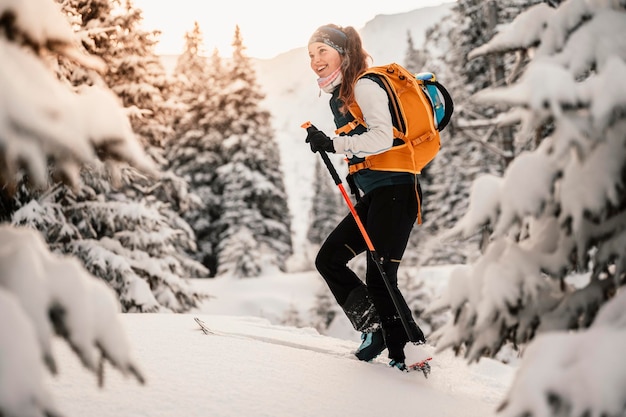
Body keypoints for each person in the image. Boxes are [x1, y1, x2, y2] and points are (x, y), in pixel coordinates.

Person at [305, 24, 426, 371]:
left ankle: (410, 356)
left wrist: (335, 143)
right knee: (329, 259)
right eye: (311, 55)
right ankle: (374, 330)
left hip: (396, 191)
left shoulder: (365, 84)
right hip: (375, 194)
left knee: (381, 276)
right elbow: (362, 145)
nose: (315, 61)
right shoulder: (340, 97)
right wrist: (340, 153)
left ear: (342, 53)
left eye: (322, 52)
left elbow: (382, 137)